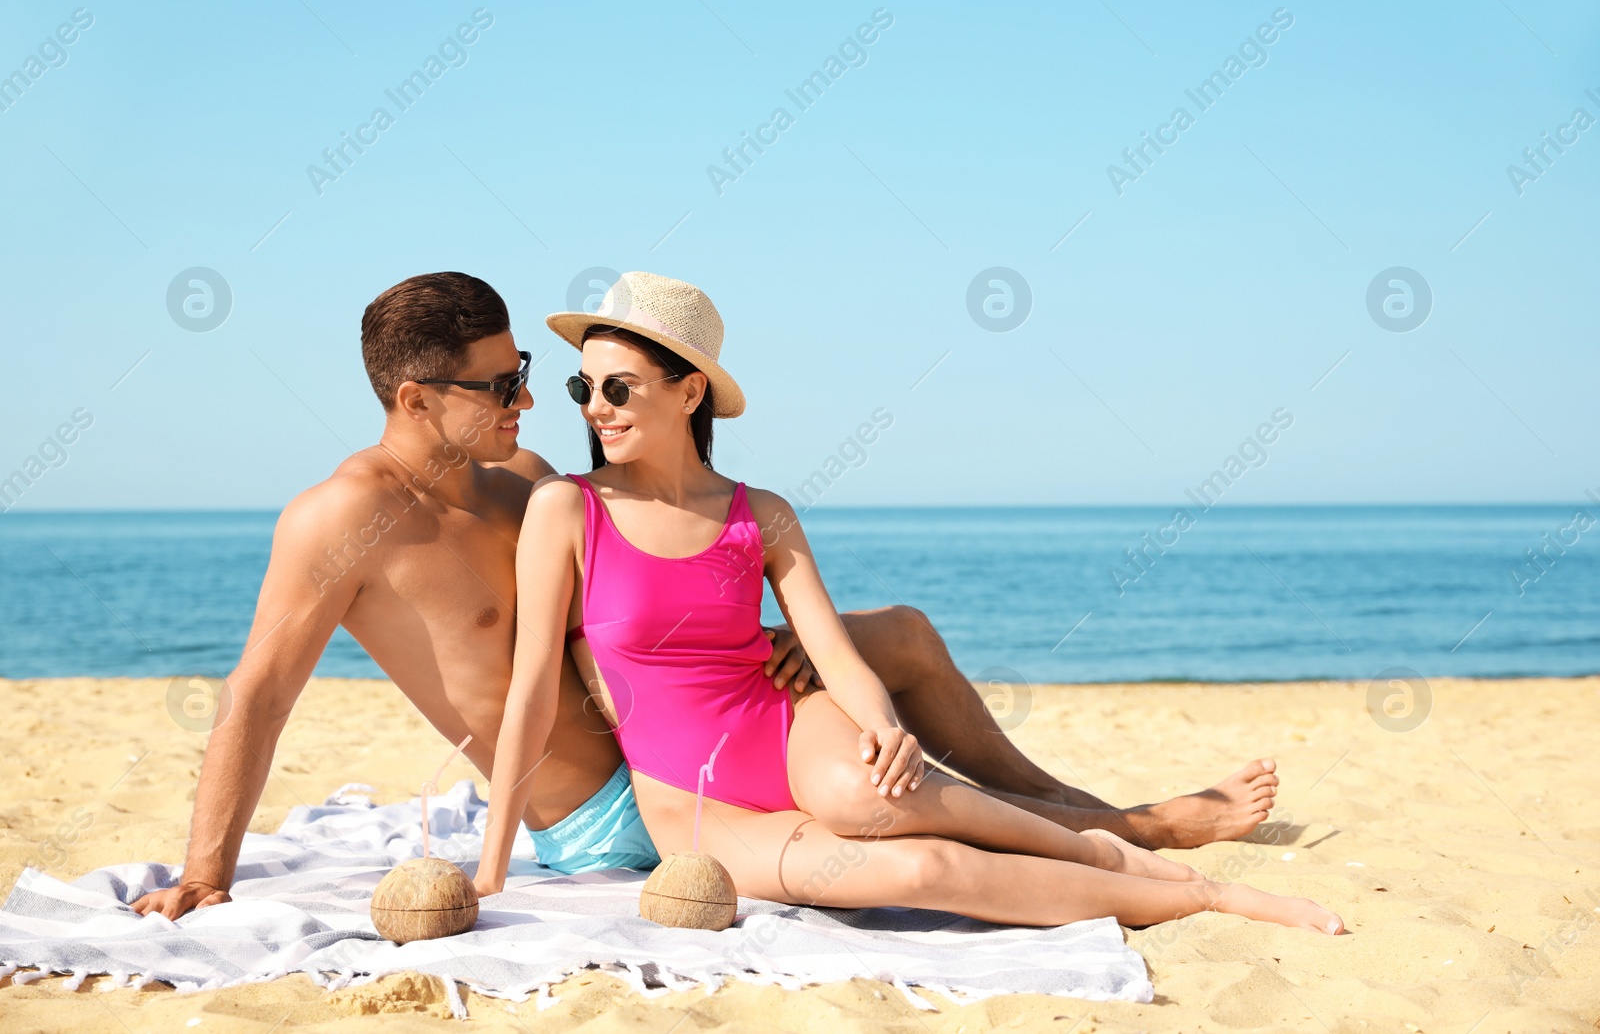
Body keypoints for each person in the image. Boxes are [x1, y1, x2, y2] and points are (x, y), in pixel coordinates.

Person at [133, 271, 1279, 922]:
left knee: (894, 642)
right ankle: (1132, 831)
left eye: (537, 378)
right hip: (605, 805)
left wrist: (769, 638)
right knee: (900, 803)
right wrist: (207, 872)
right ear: (416, 394)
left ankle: (1083, 807)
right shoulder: (340, 519)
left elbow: (656, 592)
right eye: (505, 383)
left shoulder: (526, 481)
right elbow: (255, 697)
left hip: (685, 724)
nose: (536, 401)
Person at [473, 272, 1343, 934]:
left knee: (871, 794)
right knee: (927, 873)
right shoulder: (568, 510)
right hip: (695, 806)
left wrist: (886, 728)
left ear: (689, 389)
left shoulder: (760, 514)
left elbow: (838, 655)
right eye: (585, 389)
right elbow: (530, 690)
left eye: (618, 387)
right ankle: (1185, 892)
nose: (595, 408)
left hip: (783, 727)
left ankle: (1161, 868)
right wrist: (490, 869)